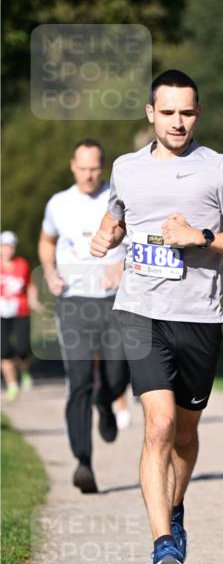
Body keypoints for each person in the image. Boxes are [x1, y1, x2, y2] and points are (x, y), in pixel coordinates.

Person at [91, 69, 223, 564]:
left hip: (199, 316)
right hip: (140, 309)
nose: (177, 122)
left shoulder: (219, 169)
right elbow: (118, 216)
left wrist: (200, 236)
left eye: (187, 112)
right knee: (159, 425)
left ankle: (176, 505)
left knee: (185, 433)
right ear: (151, 113)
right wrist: (106, 235)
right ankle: (163, 542)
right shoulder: (126, 167)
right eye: (167, 112)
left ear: (198, 113)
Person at [39, 141, 130, 494]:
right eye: (83, 168)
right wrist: (50, 272)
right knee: (78, 380)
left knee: (117, 375)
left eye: (95, 168)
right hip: (74, 301)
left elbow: (143, 241)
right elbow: (47, 242)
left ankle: (106, 403)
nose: (89, 175)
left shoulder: (119, 198)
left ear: (103, 168)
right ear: (72, 166)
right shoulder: (58, 203)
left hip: (114, 301)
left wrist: (123, 265)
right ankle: (83, 463)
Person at [1, 231, 40, 400]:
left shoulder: (22, 264)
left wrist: (34, 300)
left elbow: (30, 285)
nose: (7, 250)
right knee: (4, 350)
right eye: (4, 246)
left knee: (23, 348)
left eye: (10, 246)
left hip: (20, 311)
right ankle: (11, 385)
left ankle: (24, 371)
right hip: (1, 313)